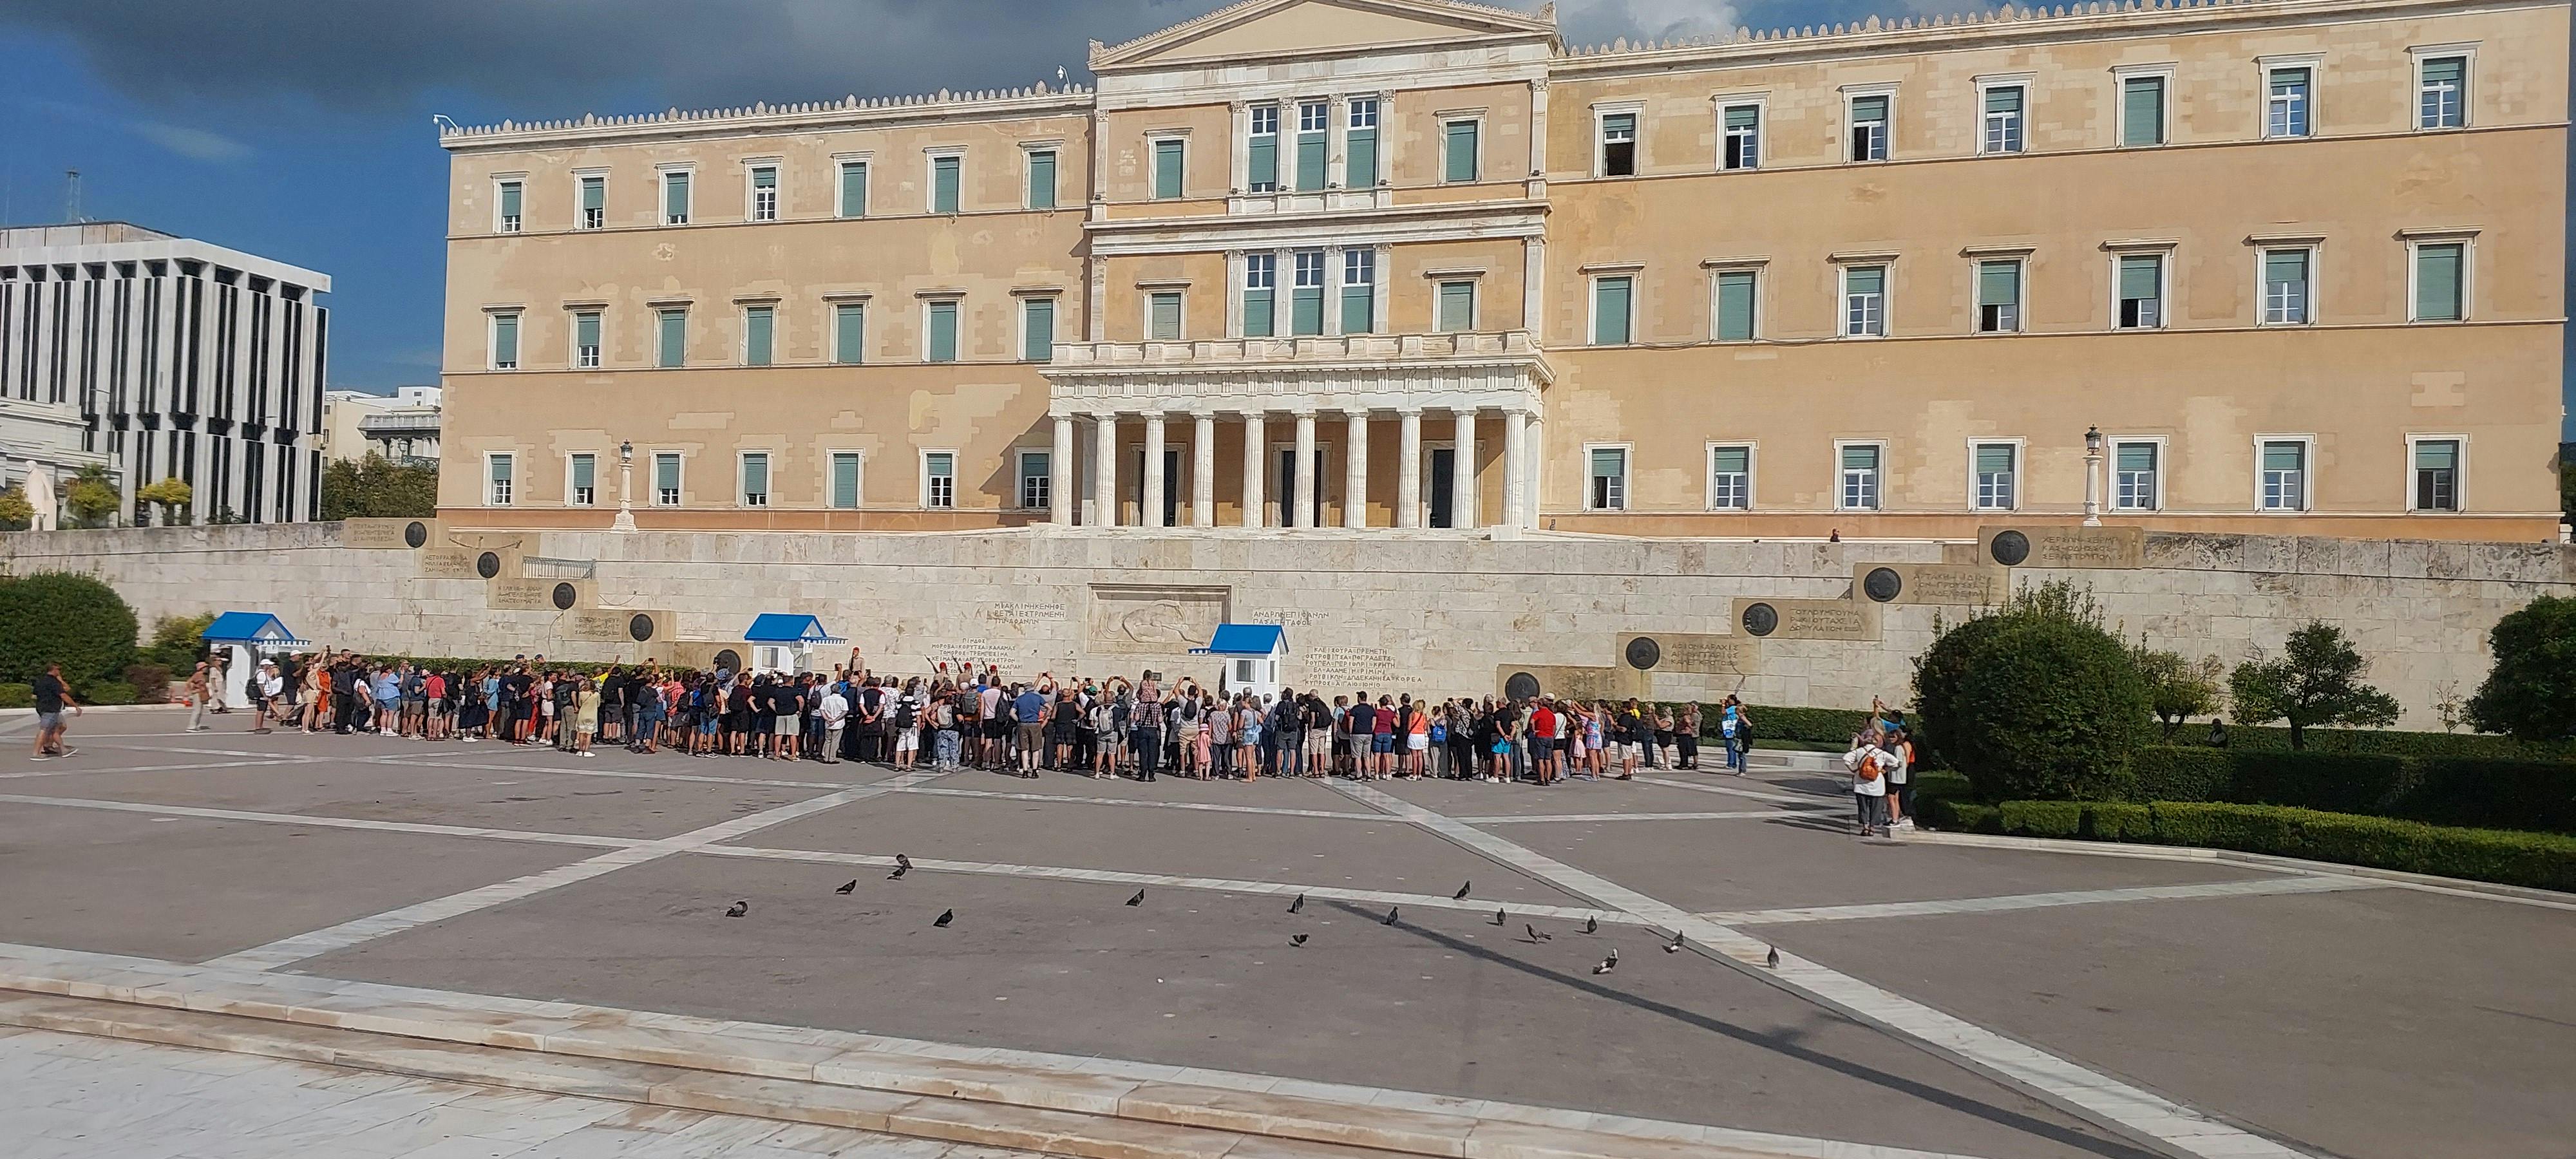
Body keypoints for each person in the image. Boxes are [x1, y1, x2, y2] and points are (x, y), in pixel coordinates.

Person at [1845, 729, 1893, 838]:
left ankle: (1865, 827)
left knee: (1863, 807)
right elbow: (1895, 762)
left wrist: (1853, 769)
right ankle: (1872, 828)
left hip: (1860, 783)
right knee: (1876, 807)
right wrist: (1884, 770)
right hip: (1877, 784)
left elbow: (1846, 759)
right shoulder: (1882, 753)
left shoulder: (1859, 751)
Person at [28, 662, 80, 760]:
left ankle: (61, 749)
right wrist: (75, 706)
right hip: (50, 709)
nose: (59, 671)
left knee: (58, 728)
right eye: (58, 669)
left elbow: (35, 695)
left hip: (43, 708)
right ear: (54, 670)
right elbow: (63, 695)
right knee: (44, 730)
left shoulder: (41, 681)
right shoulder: (54, 682)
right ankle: (36, 753)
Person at [1884, 726, 1916, 830]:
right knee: (1896, 797)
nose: (1891, 739)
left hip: (1896, 777)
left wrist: (1888, 767)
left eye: (1893, 737)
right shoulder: (1899, 747)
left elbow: (1899, 762)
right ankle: (1896, 818)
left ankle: (1894, 819)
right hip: (1898, 776)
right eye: (1890, 737)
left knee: (1891, 797)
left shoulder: (1898, 748)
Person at [817, 681, 849, 764]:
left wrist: (827, 719)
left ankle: (826, 757)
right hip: (838, 723)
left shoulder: (826, 699)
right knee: (835, 741)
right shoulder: (843, 700)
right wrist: (836, 719)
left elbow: (822, 710)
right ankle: (832, 758)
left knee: (828, 740)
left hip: (828, 723)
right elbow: (845, 711)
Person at [1718, 695, 1751, 774]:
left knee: (1732, 747)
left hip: (1731, 730)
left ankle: (1732, 764)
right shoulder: (1734, 710)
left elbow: (1723, 712)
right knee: (1735, 749)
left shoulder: (1734, 709)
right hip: (1733, 731)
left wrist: (1723, 704)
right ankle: (1735, 765)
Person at [573, 678, 600, 757]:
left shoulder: (581, 694)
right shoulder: (596, 695)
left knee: (581, 733)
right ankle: (587, 750)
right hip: (592, 715)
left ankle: (580, 750)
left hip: (582, 715)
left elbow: (580, 704)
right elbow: (598, 705)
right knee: (589, 734)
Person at [251, 661, 280, 734]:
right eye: (269, 665)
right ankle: (258, 728)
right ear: (265, 665)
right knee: (260, 711)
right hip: (262, 696)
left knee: (263, 711)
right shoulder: (261, 674)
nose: (270, 666)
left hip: (264, 696)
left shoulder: (263, 673)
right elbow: (261, 686)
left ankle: (260, 727)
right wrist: (264, 695)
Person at [184, 661, 213, 732]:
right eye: (205, 667)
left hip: (201, 693)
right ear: (201, 668)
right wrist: (192, 690)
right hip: (198, 694)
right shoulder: (198, 675)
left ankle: (197, 725)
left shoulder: (201, 675)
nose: (206, 669)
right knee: (197, 710)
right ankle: (191, 727)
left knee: (199, 710)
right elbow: (189, 682)